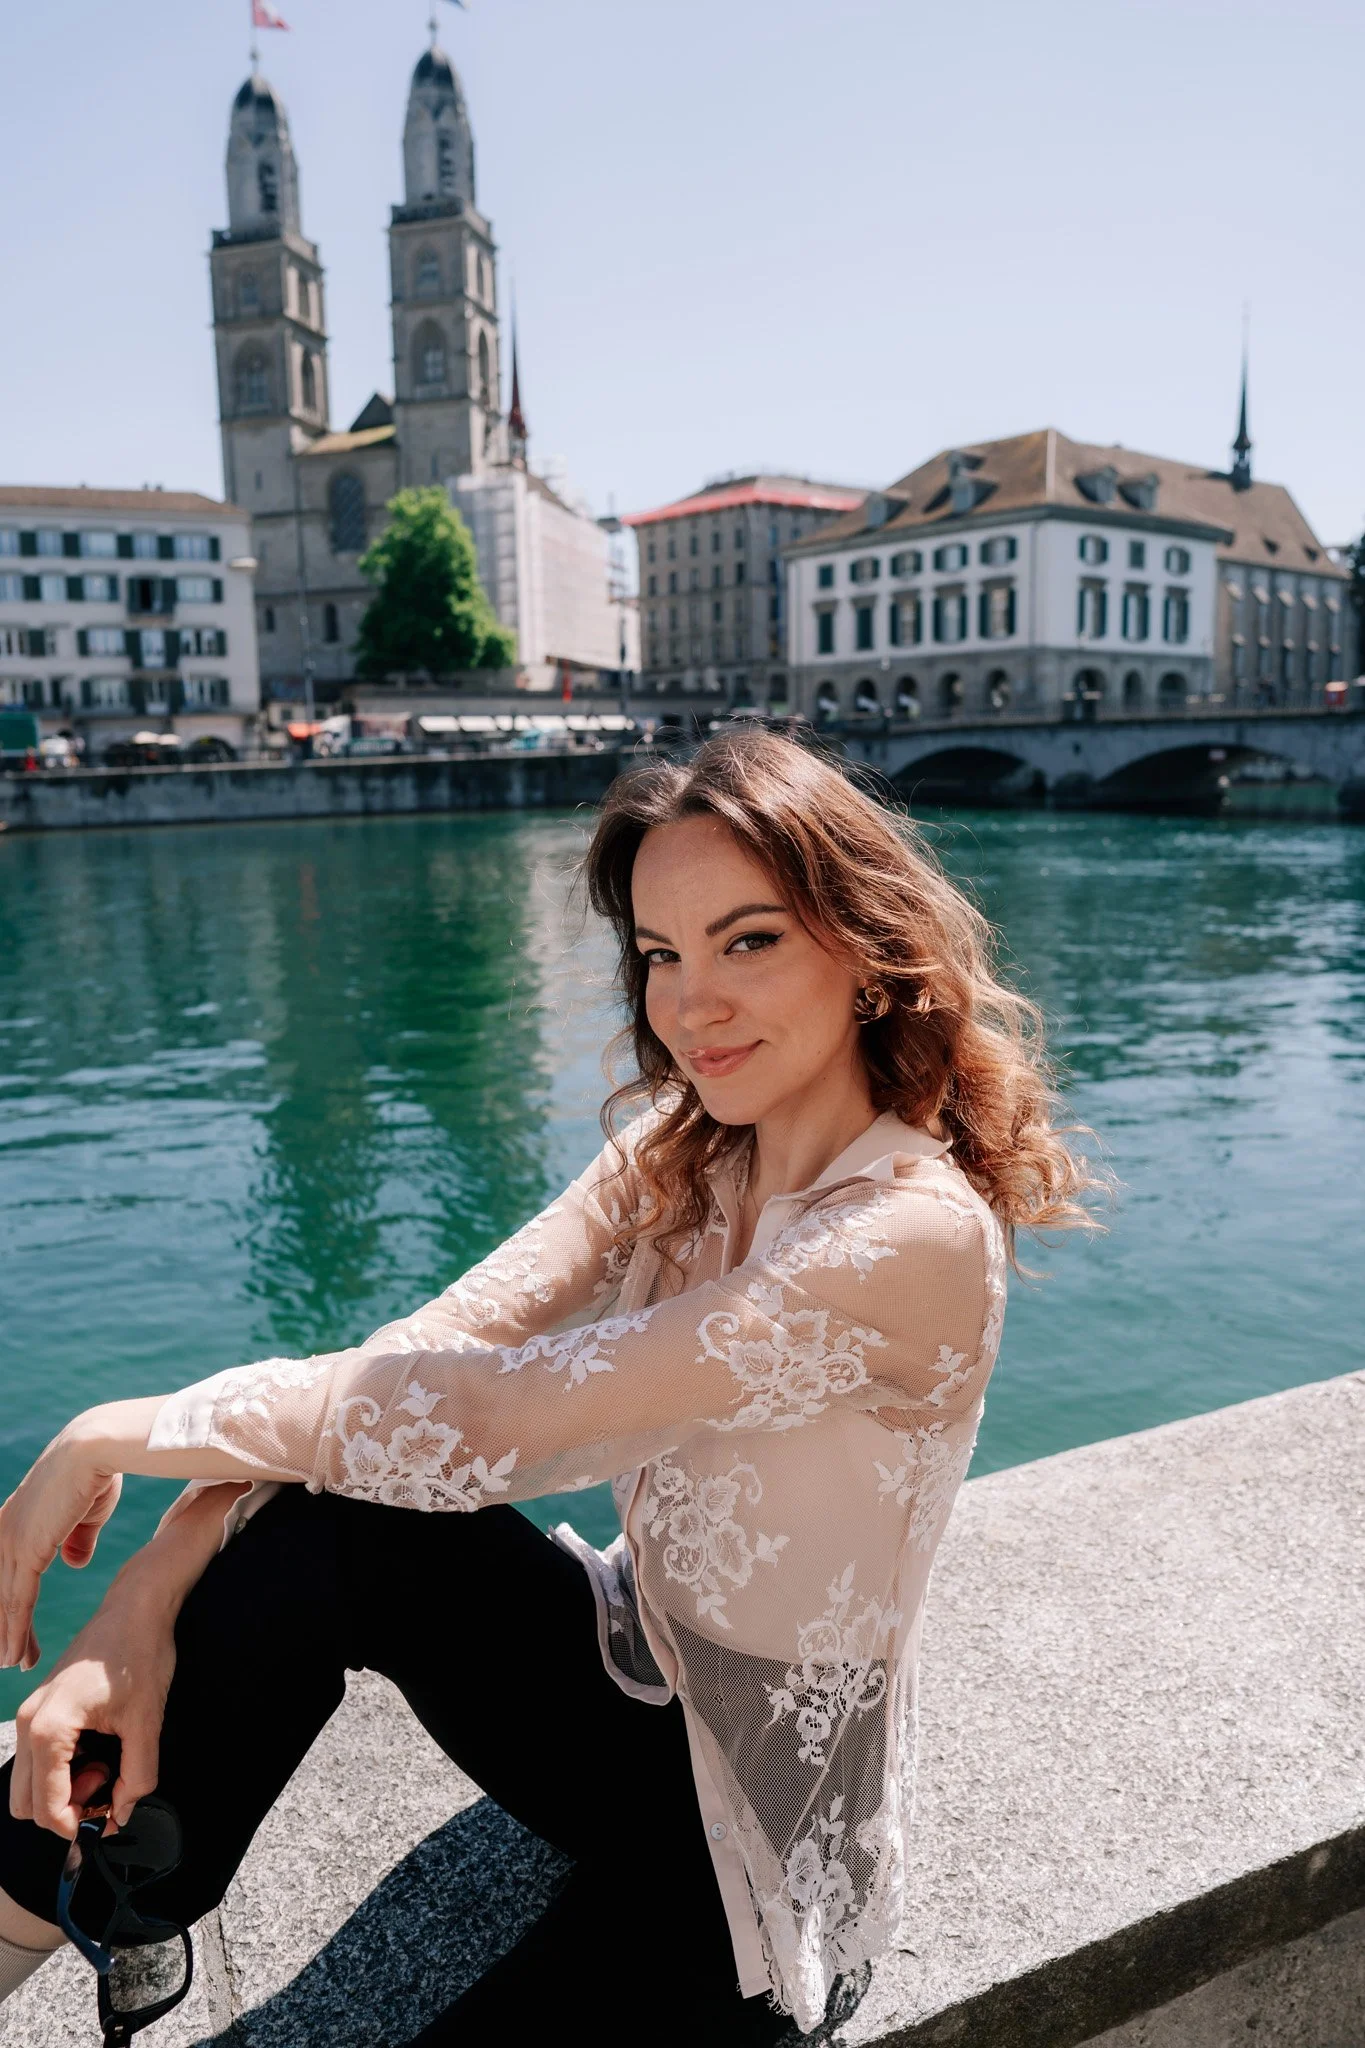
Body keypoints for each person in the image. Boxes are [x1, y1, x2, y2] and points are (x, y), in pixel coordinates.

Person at [0, 732, 1096, 2041]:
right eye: (661, 954)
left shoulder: (910, 1238)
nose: (694, 1004)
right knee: (334, 1528)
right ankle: (56, 1911)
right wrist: (151, 1587)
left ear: (865, 950)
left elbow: (493, 1422)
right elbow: (428, 1360)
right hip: (626, 1684)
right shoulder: (687, 1151)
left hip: (744, 1838)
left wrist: (116, 1431)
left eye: (749, 941)